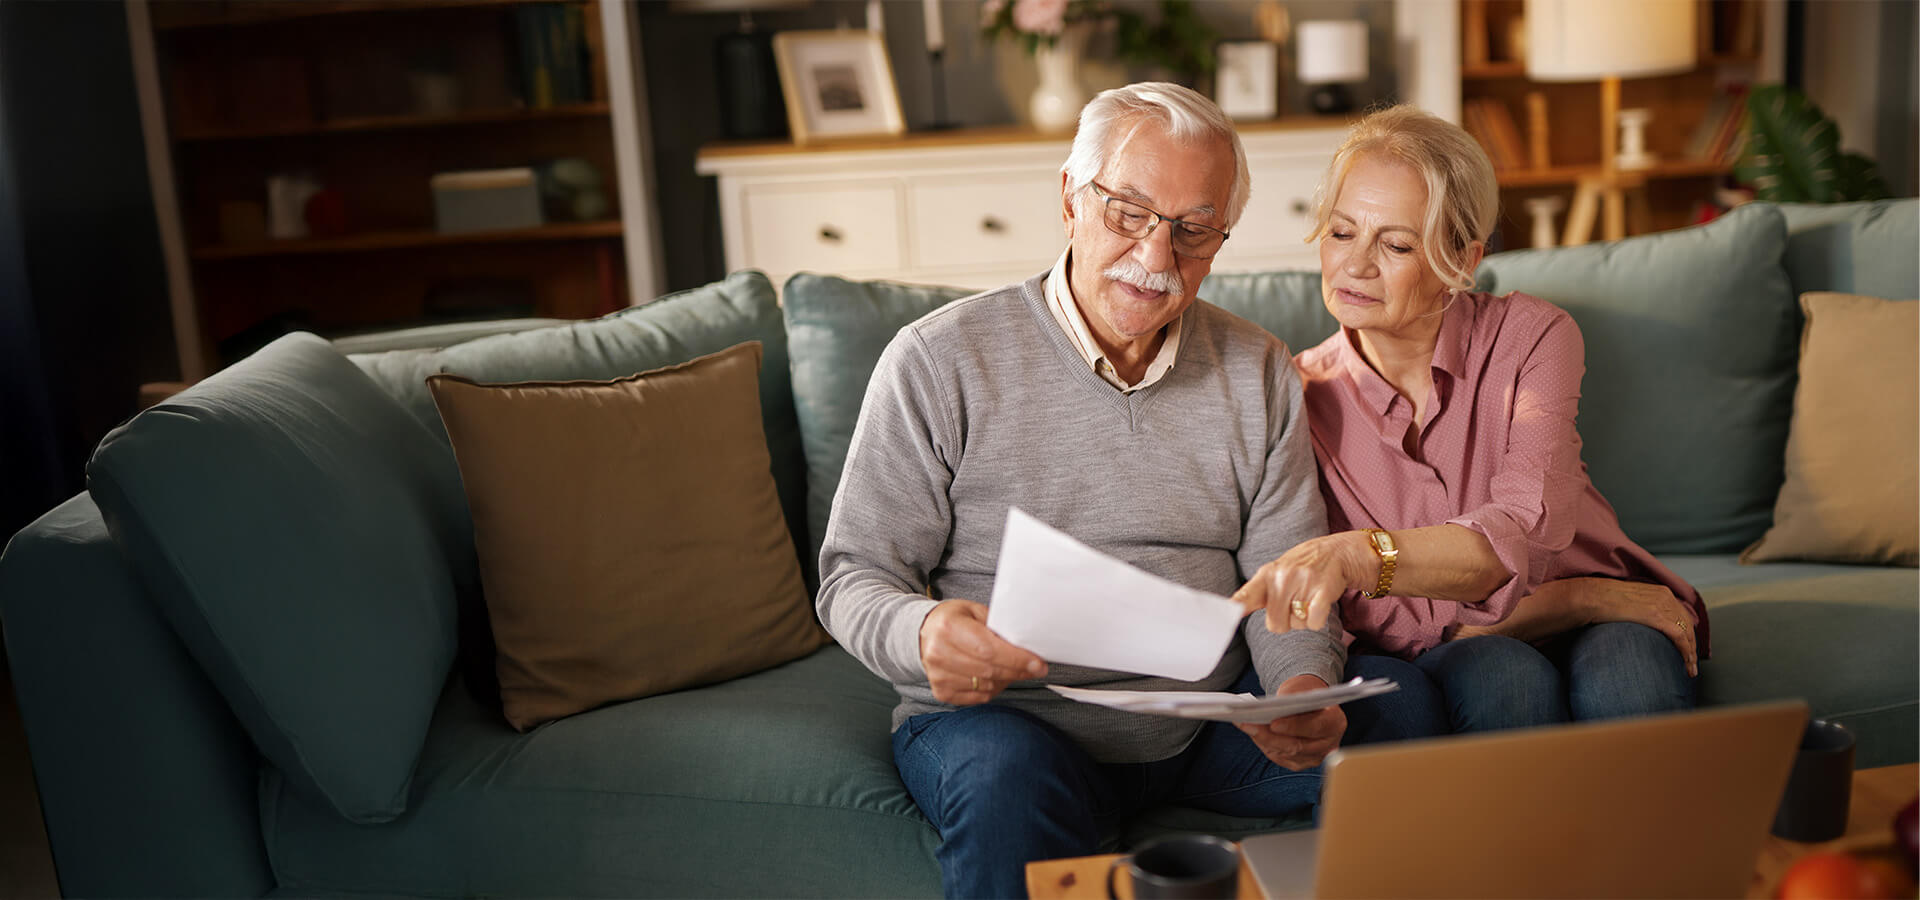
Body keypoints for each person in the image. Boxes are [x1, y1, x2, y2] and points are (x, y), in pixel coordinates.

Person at [815, 83, 1432, 900]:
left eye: (1192, 229)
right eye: (1128, 213)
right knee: (1006, 779)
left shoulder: (1259, 370)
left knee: (1413, 708)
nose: (1155, 258)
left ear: (1221, 239)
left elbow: (1289, 576)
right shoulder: (938, 360)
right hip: (1011, 725)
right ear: (1070, 199)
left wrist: (1300, 689)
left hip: (1207, 726)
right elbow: (853, 575)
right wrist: (922, 629)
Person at [1234, 105, 1706, 738]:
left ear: (1461, 261)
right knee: (1501, 677)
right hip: (1523, 625)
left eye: (1396, 244)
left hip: (1604, 613)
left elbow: (1524, 528)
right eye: (1342, 232)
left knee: (1632, 680)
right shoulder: (1299, 395)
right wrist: (1581, 596)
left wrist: (1594, 601)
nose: (1355, 265)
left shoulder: (1533, 337)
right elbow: (1398, 626)